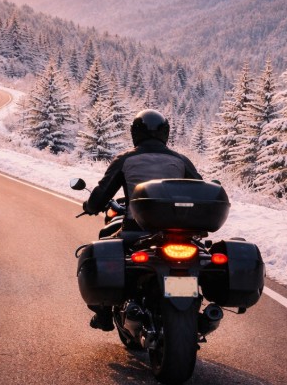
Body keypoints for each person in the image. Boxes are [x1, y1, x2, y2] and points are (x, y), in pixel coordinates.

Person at [81, 109, 203, 331]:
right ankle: (200, 315)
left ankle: (104, 313)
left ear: (135, 133)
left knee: (104, 239)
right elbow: (200, 190)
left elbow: (102, 193)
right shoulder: (180, 160)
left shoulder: (126, 160)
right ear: (165, 133)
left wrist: (90, 207)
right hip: (179, 232)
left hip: (136, 230)